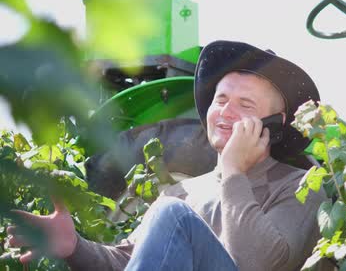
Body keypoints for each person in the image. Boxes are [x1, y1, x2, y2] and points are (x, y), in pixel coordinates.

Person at [7, 40, 326, 270]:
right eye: (221, 99)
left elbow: (256, 264)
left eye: (246, 105)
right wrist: (75, 247)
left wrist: (233, 172)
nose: (226, 112)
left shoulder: (301, 186)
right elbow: (131, 261)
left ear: (275, 124)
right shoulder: (182, 191)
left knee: (171, 214)